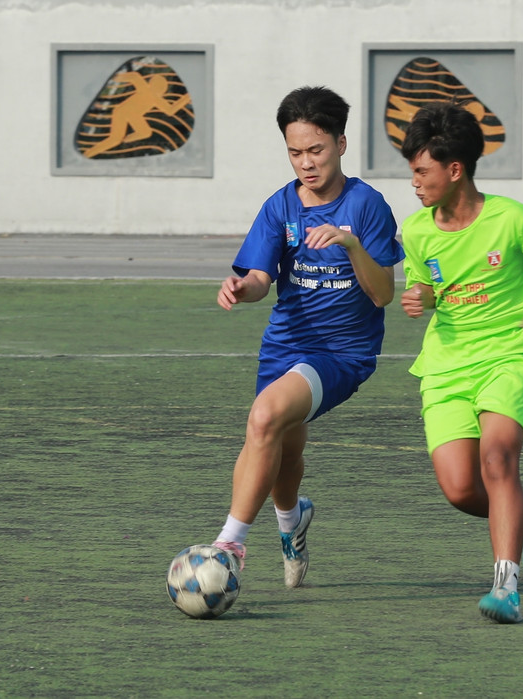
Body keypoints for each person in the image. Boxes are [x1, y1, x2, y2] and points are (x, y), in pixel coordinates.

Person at [212, 86, 404, 590]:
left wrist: (351, 244)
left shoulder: (367, 206)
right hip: (285, 344)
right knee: (282, 449)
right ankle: (292, 521)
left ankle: (228, 546)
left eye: (316, 150)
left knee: (264, 417)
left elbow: (383, 294)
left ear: (341, 143)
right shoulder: (280, 206)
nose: (306, 163)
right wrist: (243, 288)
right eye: (295, 152)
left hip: (341, 352)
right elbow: (260, 277)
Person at [398, 102, 523, 623]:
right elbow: (426, 284)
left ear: (455, 169)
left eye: (422, 171)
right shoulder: (417, 230)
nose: (414, 182)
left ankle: (506, 588)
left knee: (498, 460)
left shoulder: (513, 219)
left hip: (508, 354)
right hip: (445, 364)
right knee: (460, 490)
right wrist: (420, 297)